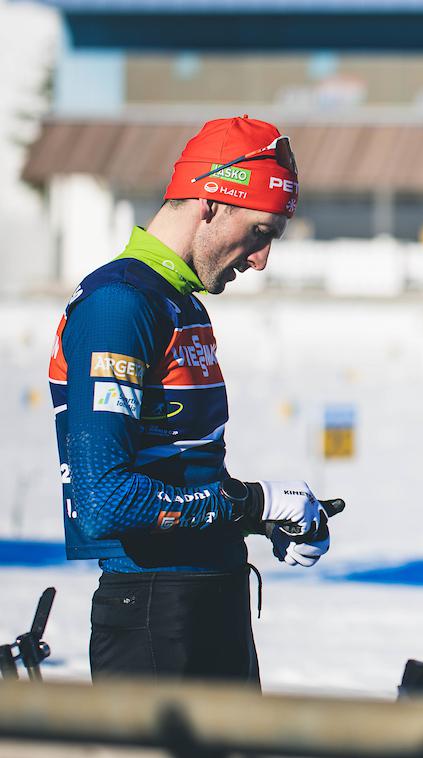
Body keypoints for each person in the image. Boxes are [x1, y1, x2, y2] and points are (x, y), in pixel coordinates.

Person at [47, 116, 338, 685]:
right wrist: (255, 504)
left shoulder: (179, 302)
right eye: (260, 232)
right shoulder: (119, 306)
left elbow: (180, 474)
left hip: (209, 598)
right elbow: (105, 497)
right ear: (210, 204)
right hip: (155, 612)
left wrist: (261, 523)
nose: (260, 259)